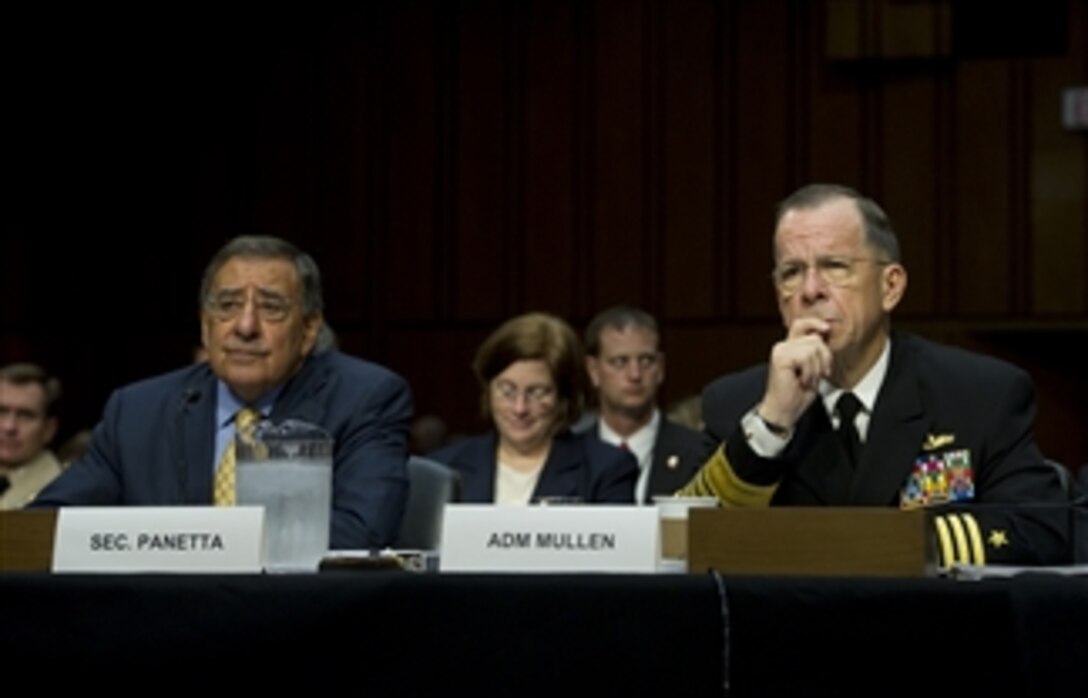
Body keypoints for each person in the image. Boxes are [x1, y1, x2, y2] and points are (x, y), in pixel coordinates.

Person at [678, 183, 1073, 566]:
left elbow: (1041, 529)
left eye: (834, 266)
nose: (811, 290)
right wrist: (772, 426)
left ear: (891, 287)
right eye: (792, 272)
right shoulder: (738, 404)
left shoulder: (979, 393)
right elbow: (681, 543)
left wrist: (889, 545)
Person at [32, 235, 414, 549]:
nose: (245, 326)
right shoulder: (137, 411)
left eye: (271, 308)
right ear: (205, 325)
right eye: (227, 306)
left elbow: (363, 534)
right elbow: (44, 526)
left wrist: (209, 542)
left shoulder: (365, 398)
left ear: (310, 330)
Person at [428, 312, 637, 504]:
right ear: (488, 389)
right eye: (507, 391)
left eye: (537, 393)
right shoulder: (442, 469)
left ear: (564, 399)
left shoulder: (606, 471)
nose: (520, 408)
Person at [583, 306, 705, 504]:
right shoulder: (569, 458)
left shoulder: (697, 453)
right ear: (593, 370)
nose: (635, 375)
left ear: (661, 368)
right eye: (620, 362)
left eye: (646, 361)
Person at [0, 362, 64, 509]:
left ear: (49, 429)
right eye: (1, 412)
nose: (9, 427)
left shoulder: (63, 489)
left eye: (25, 415)